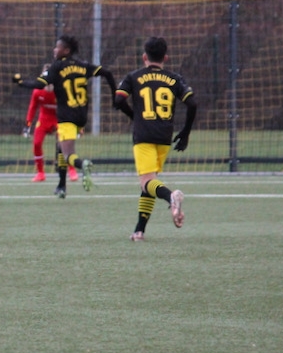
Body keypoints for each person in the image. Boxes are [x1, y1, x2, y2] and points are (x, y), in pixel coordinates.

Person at [113, 36, 197, 241]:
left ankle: (171, 197)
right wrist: (185, 133)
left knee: (147, 182)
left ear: (144, 57)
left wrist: (134, 116)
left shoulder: (134, 76)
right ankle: (139, 231)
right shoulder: (174, 78)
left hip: (144, 135)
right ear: (165, 57)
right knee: (150, 182)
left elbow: (118, 99)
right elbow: (192, 104)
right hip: (165, 136)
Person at [13, 34, 115, 198]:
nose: (55, 50)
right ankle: (61, 185)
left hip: (66, 116)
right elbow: (108, 73)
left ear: (66, 50)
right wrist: (115, 96)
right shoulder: (83, 66)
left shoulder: (57, 67)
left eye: (57, 47)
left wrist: (20, 83)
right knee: (61, 149)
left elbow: (39, 84)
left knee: (68, 155)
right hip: (82, 116)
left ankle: (82, 164)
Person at [23, 63, 78, 183]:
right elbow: (32, 108)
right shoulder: (38, 91)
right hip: (44, 119)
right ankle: (40, 173)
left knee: (64, 144)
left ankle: (71, 170)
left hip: (60, 118)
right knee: (37, 143)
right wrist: (28, 125)